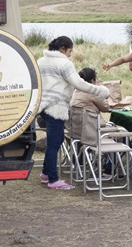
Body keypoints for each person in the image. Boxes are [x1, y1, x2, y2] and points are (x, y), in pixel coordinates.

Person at [38, 36, 110, 190]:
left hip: (42, 106)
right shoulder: (65, 63)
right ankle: (52, 179)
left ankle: (45, 173)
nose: (70, 54)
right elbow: (78, 83)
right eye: (70, 50)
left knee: (53, 141)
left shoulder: (40, 61)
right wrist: (101, 91)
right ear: (63, 48)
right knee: (54, 143)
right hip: (56, 107)